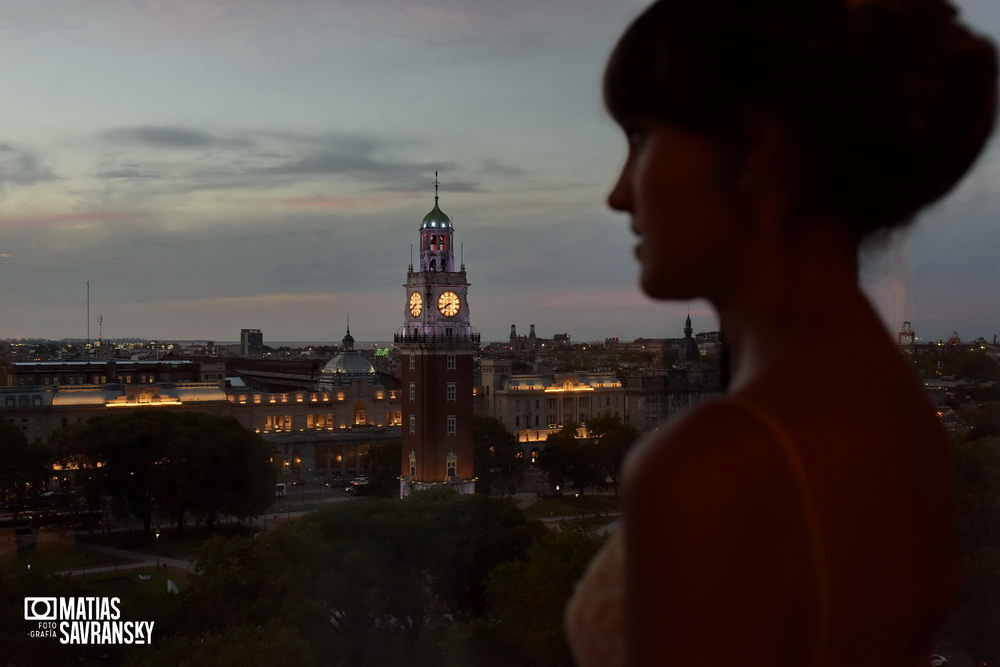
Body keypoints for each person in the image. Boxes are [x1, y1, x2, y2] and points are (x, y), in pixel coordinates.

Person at [564, 1, 998, 665]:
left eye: (643, 137)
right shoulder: (898, 414)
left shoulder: (712, 464)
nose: (619, 193)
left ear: (757, 149)